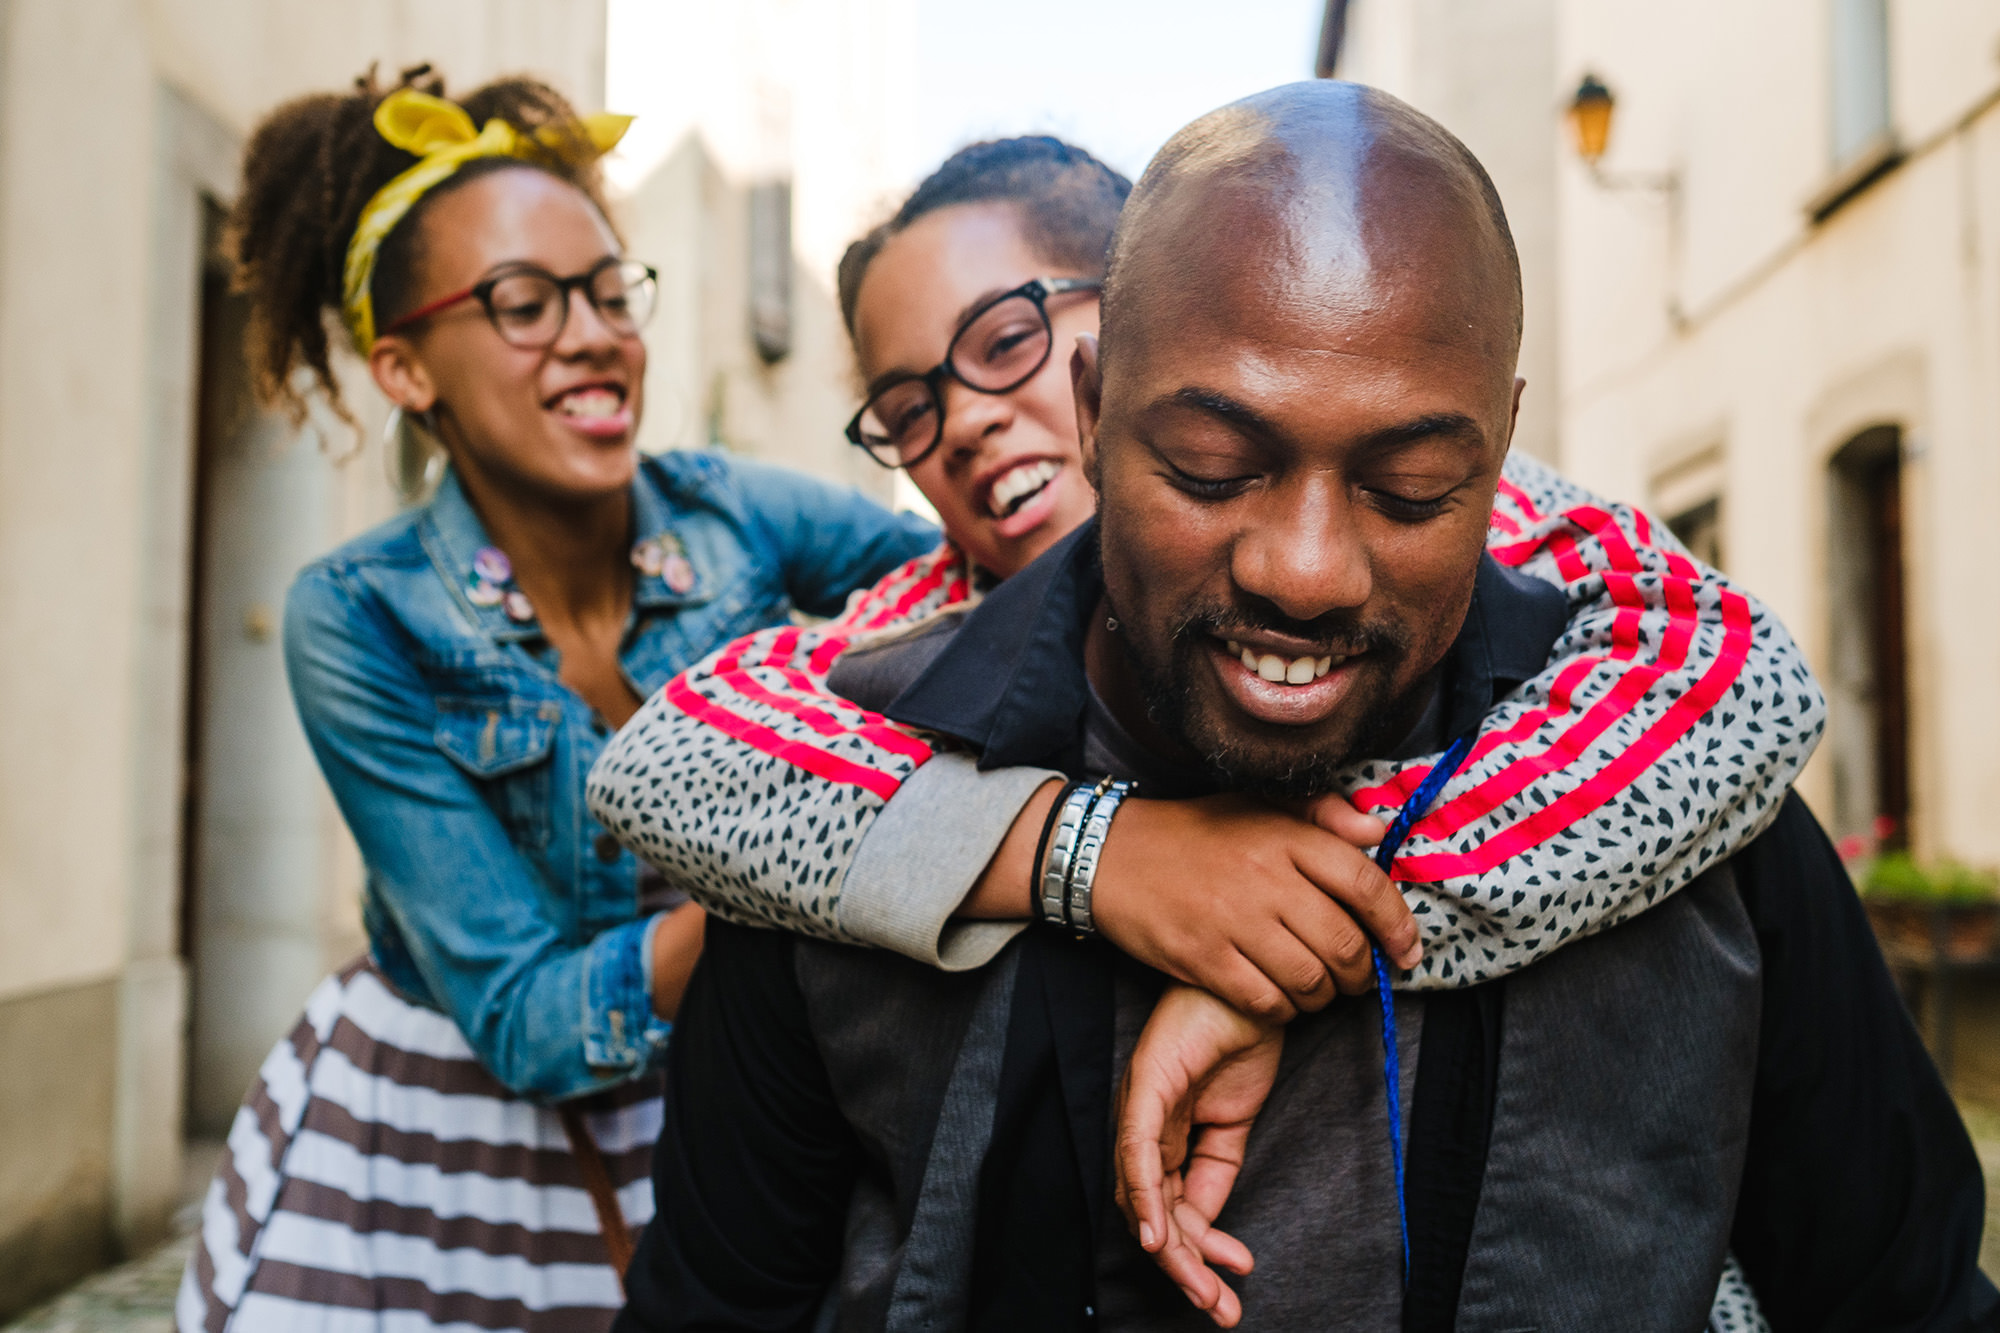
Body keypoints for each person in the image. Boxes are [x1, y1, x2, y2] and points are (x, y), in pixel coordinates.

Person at [609, 83, 1994, 1332]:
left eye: (1408, 490)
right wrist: (1087, 855)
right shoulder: (850, 779)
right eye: (1214, 467)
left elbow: (1901, 1289)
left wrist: (1332, 927)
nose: (1310, 571)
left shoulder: (1674, 759)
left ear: (1502, 453)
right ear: (1103, 409)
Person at [176, 66, 936, 1333]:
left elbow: (972, 592)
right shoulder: (359, 615)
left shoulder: (734, 513)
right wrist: (808, 875)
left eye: (604, 291)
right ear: (405, 368)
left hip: (726, 1114)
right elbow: (526, 1020)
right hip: (432, 1150)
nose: (591, 334)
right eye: (522, 303)